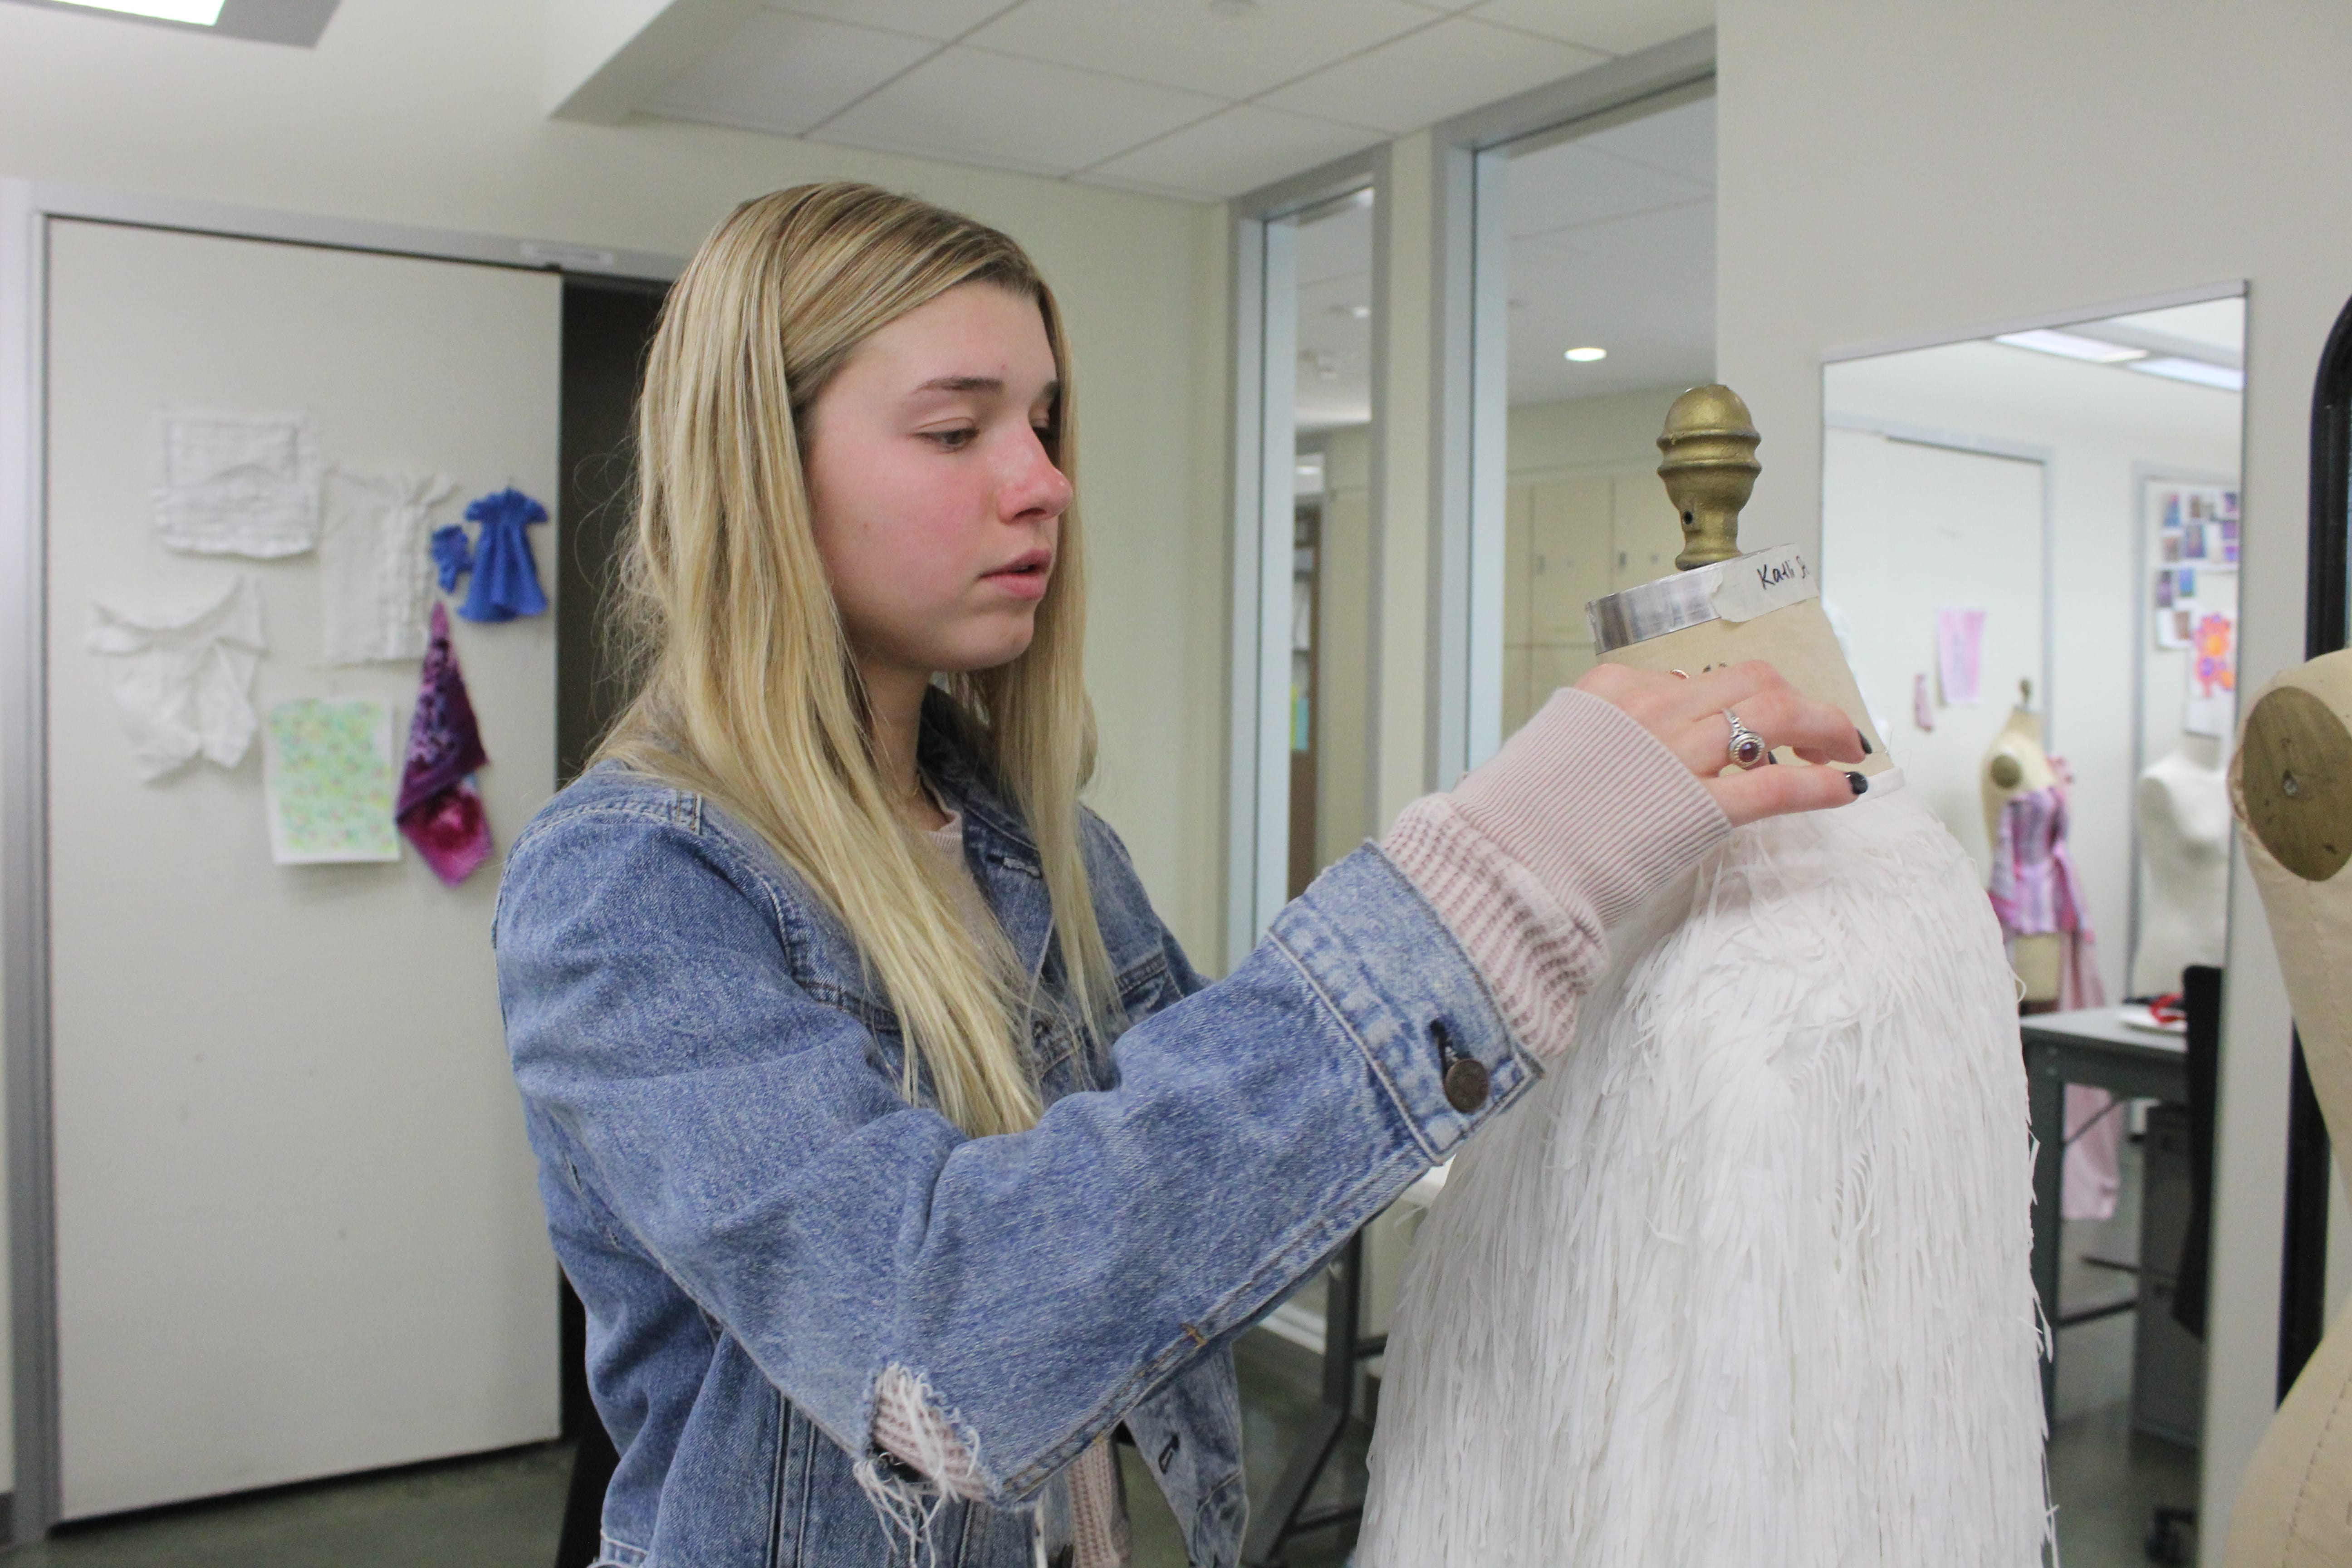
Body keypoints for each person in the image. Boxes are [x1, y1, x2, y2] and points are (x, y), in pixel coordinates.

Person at [493, 182, 1866, 1568]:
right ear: (759, 472)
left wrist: (1628, 964)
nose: (1043, 481)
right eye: (958, 428)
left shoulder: (1043, 846)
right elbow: (944, 1347)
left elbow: (1214, 1182)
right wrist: (1497, 874)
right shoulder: (634, 891)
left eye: (1043, 423)